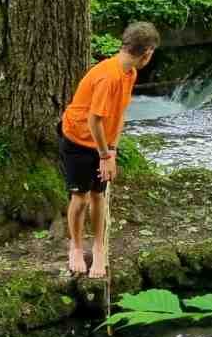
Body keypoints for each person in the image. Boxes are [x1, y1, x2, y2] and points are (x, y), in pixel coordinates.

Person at [61, 22, 160, 279]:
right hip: (79, 140)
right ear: (147, 53)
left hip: (103, 143)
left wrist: (112, 150)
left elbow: (119, 114)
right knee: (80, 198)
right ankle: (75, 247)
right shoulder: (109, 77)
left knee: (98, 196)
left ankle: (98, 247)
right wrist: (105, 156)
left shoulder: (130, 73)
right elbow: (94, 120)